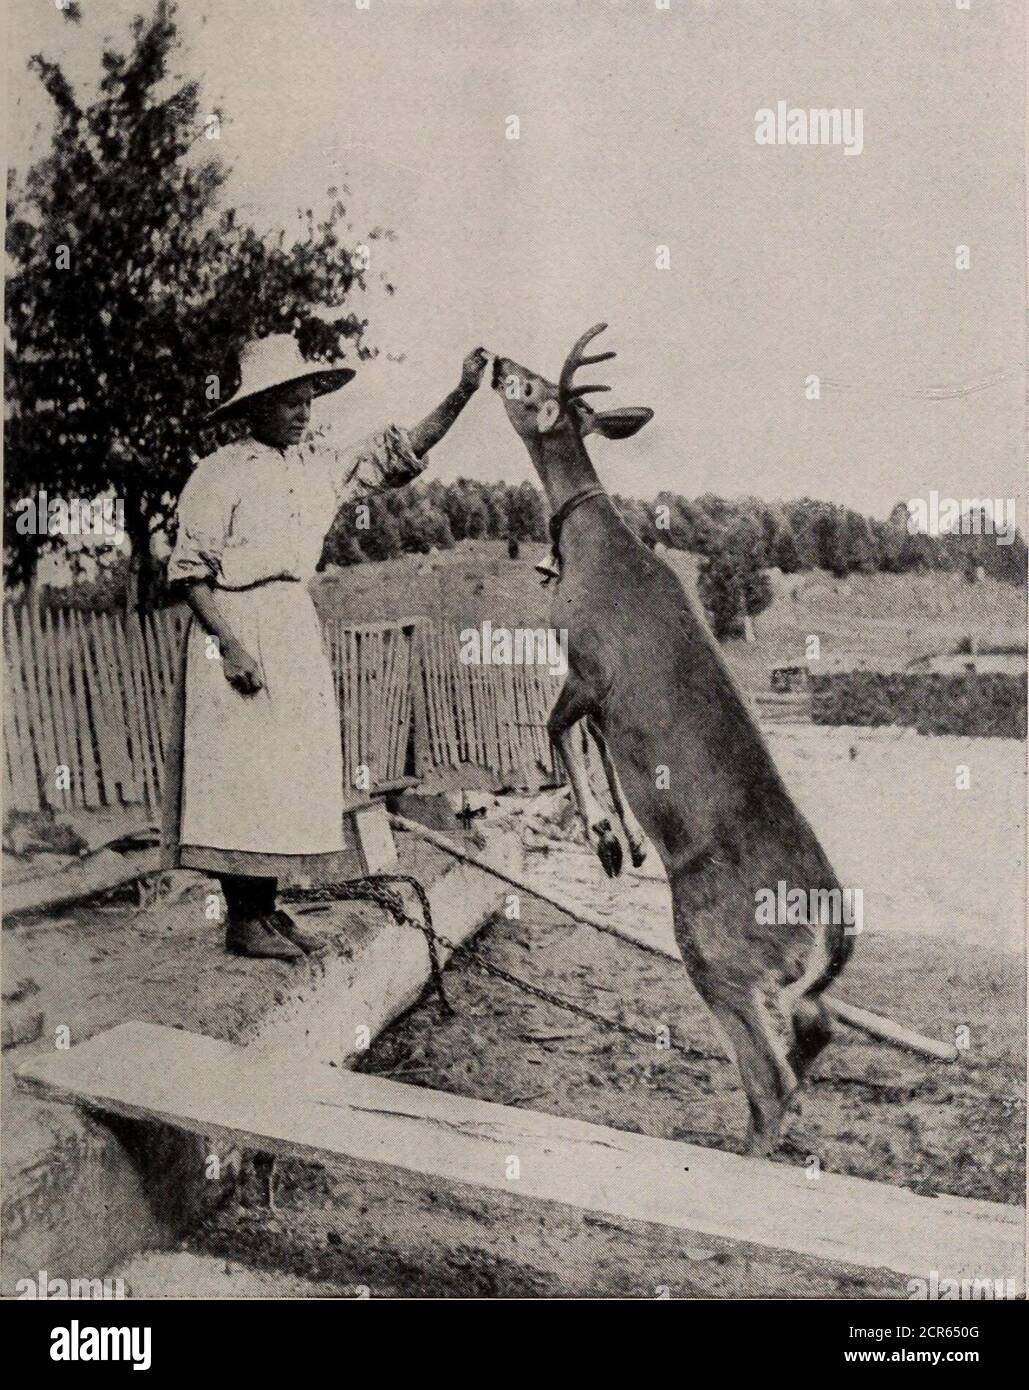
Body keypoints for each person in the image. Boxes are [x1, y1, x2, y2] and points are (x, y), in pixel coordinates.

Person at [162, 333, 489, 959]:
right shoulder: (218, 473)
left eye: (307, 397)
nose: (301, 410)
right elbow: (189, 573)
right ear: (253, 408)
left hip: (289, 617)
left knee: (286, 767)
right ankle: (243, 919)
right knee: (243, 770)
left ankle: (266, 909)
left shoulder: (317, 466)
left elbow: (400, 450)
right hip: (234, 616)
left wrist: (462, 392)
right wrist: (229, 646)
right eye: (286, 400)